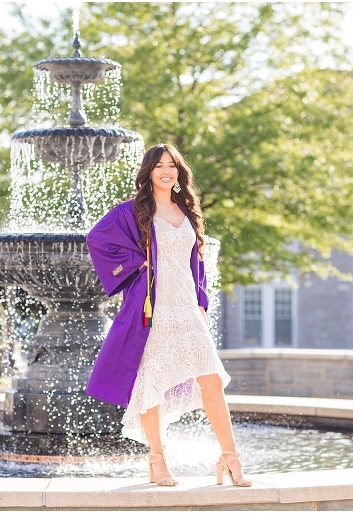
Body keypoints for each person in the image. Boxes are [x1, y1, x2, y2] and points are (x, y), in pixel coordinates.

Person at [86, 143, 252, 487]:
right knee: (152, 382)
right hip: (154, 310)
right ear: (148, 172)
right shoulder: (134, 212)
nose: (166, 171)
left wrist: (202, 304)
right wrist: (135, 264)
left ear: (179, 172)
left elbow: (199, 263)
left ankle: (230, 458)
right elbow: (97, 239)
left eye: (172, 166)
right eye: (159, 165)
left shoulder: (187, 209)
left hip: (187, 309)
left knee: (211, 381)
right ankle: (157, 461)